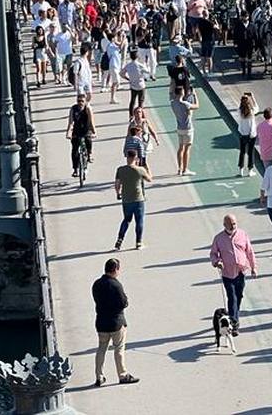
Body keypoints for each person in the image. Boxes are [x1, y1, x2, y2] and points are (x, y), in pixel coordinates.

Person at [92, 258, 139, 386]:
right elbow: (124, 303)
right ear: (115, 270)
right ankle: (122, 375)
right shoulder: (116, 285)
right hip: (116, 322)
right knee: (119, 349)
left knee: (101, 349)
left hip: (101, 322)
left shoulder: (96, 284)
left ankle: (99, 376)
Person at [209, 213, 257, 334]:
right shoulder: (219, 238)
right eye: (230, 225)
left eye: (234, 224)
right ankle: (234, 322)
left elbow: (250, 251)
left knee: (239, 296)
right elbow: (213, 254)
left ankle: (234, 315)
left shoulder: (242, 234)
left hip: (240, 272)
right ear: (224, 225)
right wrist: (217, 262)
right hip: (227, 273)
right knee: (232, 298)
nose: (232, 226)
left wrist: (253, 267)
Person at [114, 148, 152, 250]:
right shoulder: (140, 170)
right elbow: (149, 179)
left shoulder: (120, 170)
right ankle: (138, 242)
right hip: (138, 199)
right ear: (136, 158)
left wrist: (118, 193)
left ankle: (119, 240)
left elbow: (117, 184)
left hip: (126, 199)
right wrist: (147, 167)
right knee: (139, 220)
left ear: (127, 157)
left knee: (126, 220)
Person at [170, 86, 199, 177]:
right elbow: (197, 106)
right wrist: (195, 95)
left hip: (179, 128)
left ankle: (179, 169)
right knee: (187, 149)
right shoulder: (185, 104)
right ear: (182, 93)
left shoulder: (173, 103)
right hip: (188, 128)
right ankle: (185, 169)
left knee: (180, 148)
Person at [66, 94, 96, 176]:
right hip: (77, 130)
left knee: (88, 140)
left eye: (82, 101)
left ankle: (89, 154)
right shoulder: (73, 109)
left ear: (85, 101)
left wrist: (94, 132)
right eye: (79, 101)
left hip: (86, 129)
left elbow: (91, 121)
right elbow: (71, 122)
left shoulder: (88, 109)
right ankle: (75, 169)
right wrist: (68, 133)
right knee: (74, 150)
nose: (80, 103)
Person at [120, 49, 151, 117]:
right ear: (137, 57)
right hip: (141, 85)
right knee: (141, 102)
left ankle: (131, 116)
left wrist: (127, 78)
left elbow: (121, 73)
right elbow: (148, 71)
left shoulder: (128, 65)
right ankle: (141, 116)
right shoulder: (140, 65)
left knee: (132, 101)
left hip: (133, 85)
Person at [236, 92, 257, 178]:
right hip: (251, 134)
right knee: (250, 152)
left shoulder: (240, 111)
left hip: (242, 133)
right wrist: (252, 97)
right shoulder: (252, 111)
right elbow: (256, 107)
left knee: (242, 151)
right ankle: (250, 170)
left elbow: (240, 106)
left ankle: (241, 170)